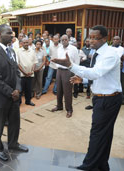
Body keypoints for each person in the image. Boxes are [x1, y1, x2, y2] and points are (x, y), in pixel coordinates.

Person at [52, 25, 122, 171]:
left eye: (95, 38)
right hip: (101, 97)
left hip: (108, 100)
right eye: (90, 37)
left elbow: (95, 73)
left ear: (104, 38)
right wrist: (83, 80)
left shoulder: (109, 54)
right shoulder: (97, 52)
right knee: (104, 135)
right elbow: (100, 76)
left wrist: (71, 66)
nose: (91, 41)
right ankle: (102, 165)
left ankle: (88, 166)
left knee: (97, 134)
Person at [0, 24, 29, 162]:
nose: (12, 35)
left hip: (14, 96)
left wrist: (17, 89)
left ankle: (13, 144)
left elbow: (16, 72)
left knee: (15, 121)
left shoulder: (12, 51)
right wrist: (11, 92)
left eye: (12, 33)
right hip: (0, 97)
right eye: (8, 33)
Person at [51, 34, 79, 118]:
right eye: (62, 40)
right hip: (59, 71)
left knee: (67, 91)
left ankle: (69, 109)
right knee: (59, 90)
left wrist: (75, 72)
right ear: (60, 41)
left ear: (68, 40)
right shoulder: (59, 49)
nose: (64, 41)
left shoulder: (73, 49)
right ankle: (59, 106)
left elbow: (77, 61)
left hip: (68, 71)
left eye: (65, 39)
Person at [18, 38, 38, 106]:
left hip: (30, 74)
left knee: (29, 89)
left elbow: (35, 62)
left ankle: (28, 101)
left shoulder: (32, 51)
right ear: (22, 43)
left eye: (27, 42)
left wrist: (32, 71)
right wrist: (24, 72)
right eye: (24, 43)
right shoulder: (18, 51)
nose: (26, 44)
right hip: (22, 74)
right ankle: (19, 102)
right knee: (20, 89)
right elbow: (18, 64)